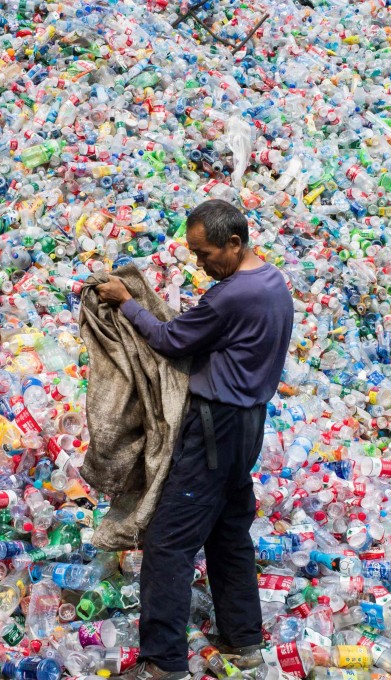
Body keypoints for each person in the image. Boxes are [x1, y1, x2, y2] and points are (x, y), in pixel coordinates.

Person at [95, 200, 294, 680]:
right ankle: (244, 641)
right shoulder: (273, 283)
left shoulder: (230, 297)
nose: (201, 265)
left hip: (213, 429)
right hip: (248, 425)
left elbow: (168, 340)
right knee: (228, 535)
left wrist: (128, 302)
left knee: (169, 543)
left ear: (234, 243)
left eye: (206, 255)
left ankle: (163, 663)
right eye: (194, 255)